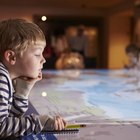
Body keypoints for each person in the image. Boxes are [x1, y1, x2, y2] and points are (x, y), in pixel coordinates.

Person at [0, 18, 66, 139]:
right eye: (37, 54)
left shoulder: (5, 77)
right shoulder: (1, 79)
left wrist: (22, 92)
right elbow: (2, 128)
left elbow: (10, 118)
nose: (43, 59)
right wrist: (39, 123)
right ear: (11, 57)